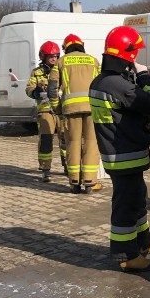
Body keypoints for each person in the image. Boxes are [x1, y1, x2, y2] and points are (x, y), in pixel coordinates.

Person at [89, 26, 150, 273]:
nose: (136, 60)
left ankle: (144, 241)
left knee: (136, 199)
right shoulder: (116, 84)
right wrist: (144, 78)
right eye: (134, 56)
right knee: (126, 205)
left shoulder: (102, 81)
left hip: (119, 153)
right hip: (124, 155)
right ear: (126, 55)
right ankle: (128, 255)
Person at [48, 33, 103, 194]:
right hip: (92, 109)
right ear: (81, 45)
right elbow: (101, 84)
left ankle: (74, 182)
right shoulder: (93, 60)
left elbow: (52, 90)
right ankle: (90, 182)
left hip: (71, 111)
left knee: (73, 143)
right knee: (92, 143)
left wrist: (57, 108)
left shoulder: (61, 62)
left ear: (66, 48)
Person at [25, 41, 61, 183]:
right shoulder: (37, 72)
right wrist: (35, 92)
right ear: (43, 57)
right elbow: (28, 88)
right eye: (50, 56)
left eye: (56, 56)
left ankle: (68, 166)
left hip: (60, 109)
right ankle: (45, 169)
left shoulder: (61, 69)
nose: (54, 59)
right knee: (46, 139)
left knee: (65, 139)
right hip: (45, 110)